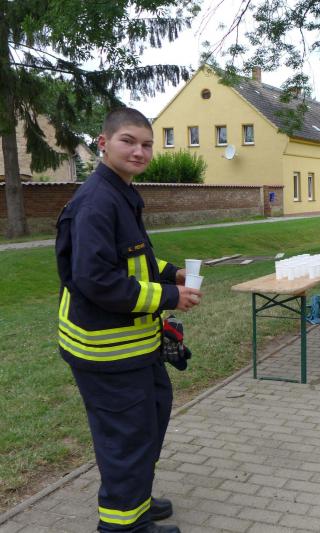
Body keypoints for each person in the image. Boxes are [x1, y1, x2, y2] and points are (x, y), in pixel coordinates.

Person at [55, 108, 202, 533]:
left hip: (135, 346)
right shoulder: (97, 202)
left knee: (149, 421)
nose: (139, 151)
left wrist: (170, 272)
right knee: (126, 438)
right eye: (128, 141)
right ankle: (123, 526)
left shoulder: (120, 191)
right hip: (106, 350)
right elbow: (97, 280)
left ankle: (136, 500)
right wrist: (170, 296)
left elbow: (132, 259)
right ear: (103, 143)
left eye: (147, 144)